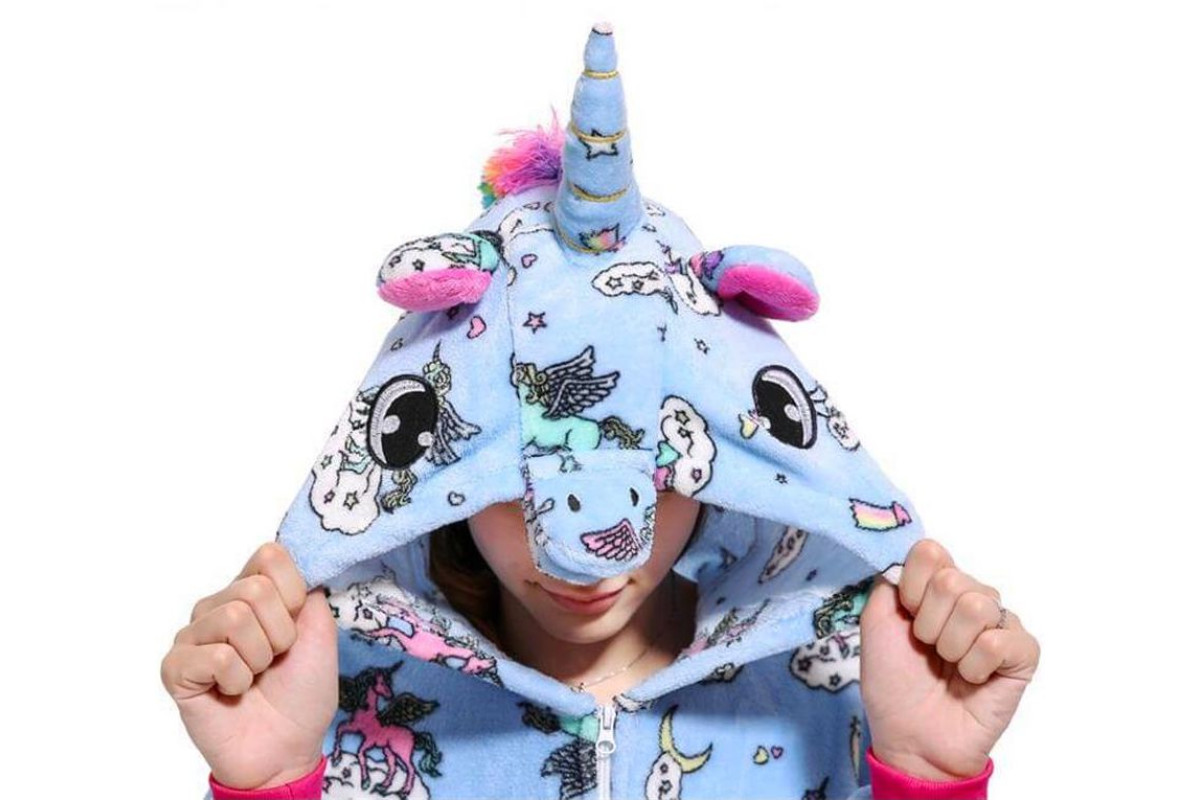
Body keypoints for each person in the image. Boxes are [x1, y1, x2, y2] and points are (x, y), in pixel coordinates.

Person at [162, 23, 1040, 800]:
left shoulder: (845, 690)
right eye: (522, 480)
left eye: (651, 477)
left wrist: (927, 782)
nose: (586, 551)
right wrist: (269, 786)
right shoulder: (337, 695)